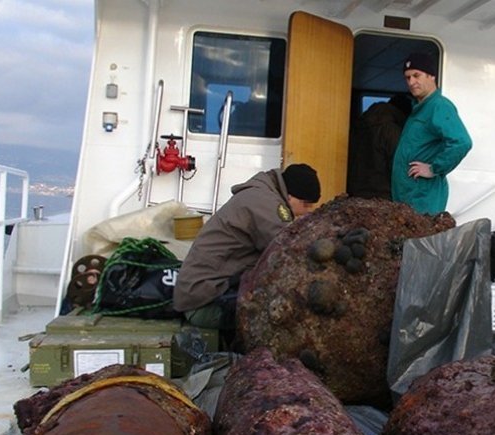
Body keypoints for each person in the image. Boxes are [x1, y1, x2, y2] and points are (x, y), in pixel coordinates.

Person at [173, 163, 320, 331]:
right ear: (290, 196)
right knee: (282, 320)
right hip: (202, 304)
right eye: (306, 204)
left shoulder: (263, 193)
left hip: (202, 294)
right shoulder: (267, 207)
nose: (309, 211)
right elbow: (291, 253)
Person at [391, 52, 472, 215]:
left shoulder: (439, 106)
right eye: (408, 78)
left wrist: (434, 168)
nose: (411, 82)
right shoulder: (419, 109)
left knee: (422, 240)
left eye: (416, 75)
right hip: (408, 197)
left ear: (431, 76)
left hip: (422, 198)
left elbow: (462, 142)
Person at [347, 94, 412, 200]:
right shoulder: (392, 131)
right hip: (382, 197)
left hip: (354, 193)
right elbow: (399, 168)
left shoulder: (357, 127)